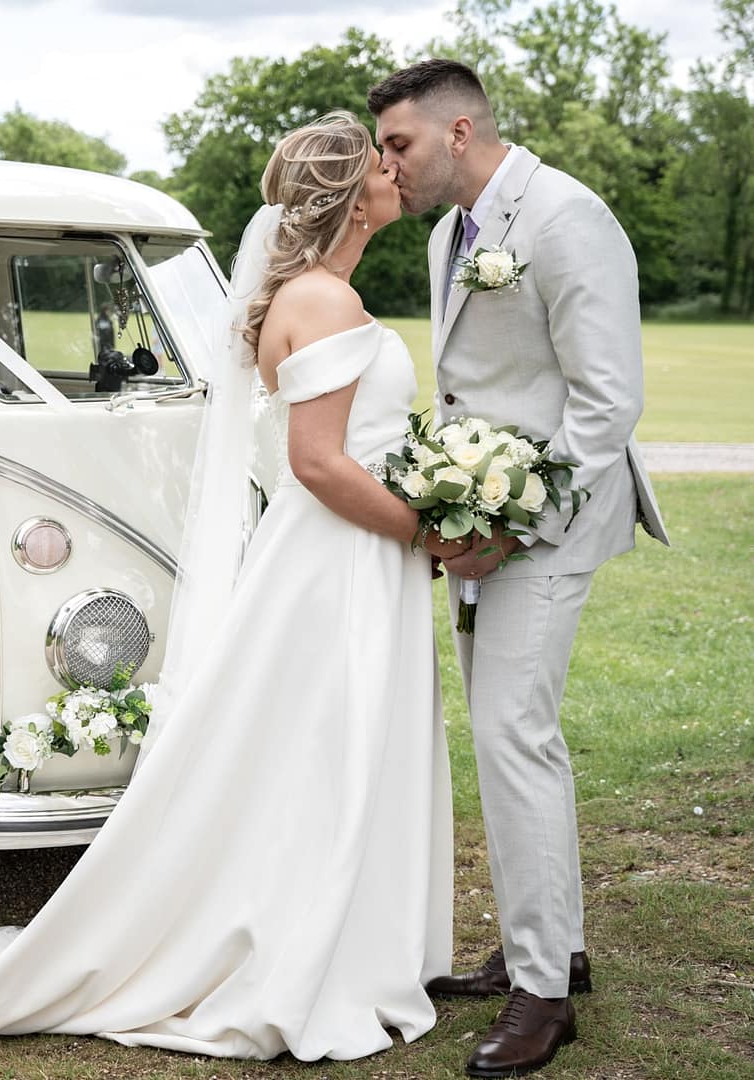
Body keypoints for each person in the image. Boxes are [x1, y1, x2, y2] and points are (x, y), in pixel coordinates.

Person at [0, 111, 456, 1062]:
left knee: (323, 741)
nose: (394, 172)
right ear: (347, 199)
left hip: (344, 551)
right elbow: (318, 461)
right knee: (327, 739)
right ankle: (304, 943)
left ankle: (348, 927)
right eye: (379, 163)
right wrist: (422, 528)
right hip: (339, 558)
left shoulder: (317, 292)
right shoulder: (322, 301)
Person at [368, 59, 669, 1078]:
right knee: (511, 739)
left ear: (458, 132)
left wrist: (513, 522)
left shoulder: (567, 218)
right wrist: (452, 502)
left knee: (512, 736)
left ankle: (543, 995)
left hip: (549, 526)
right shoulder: (451, 234)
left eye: (399, 144)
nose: (387, 166)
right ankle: (553, 947)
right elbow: (467, 389)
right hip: (478, 520)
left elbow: (606, 401)